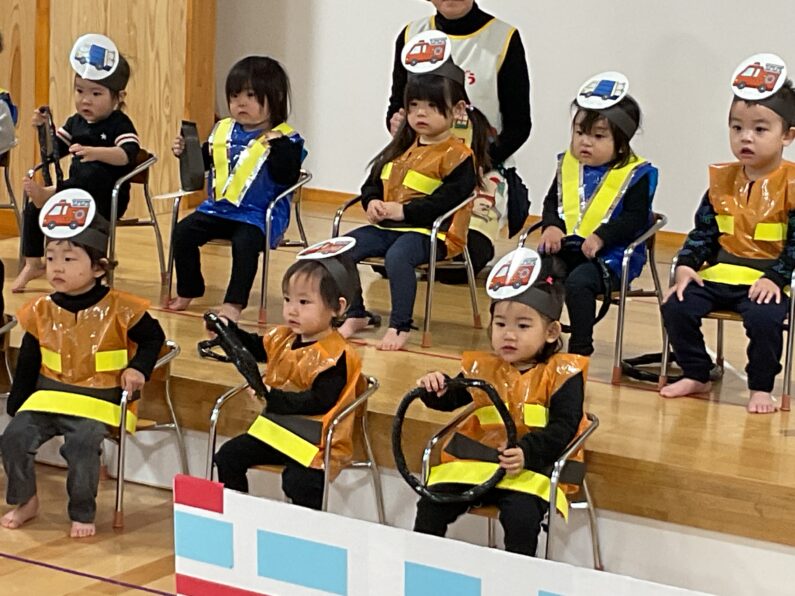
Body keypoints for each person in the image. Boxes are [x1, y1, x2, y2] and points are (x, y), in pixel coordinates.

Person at [1, 190, 166, 538]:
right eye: (50, 258)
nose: (57, 267)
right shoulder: (40, 309)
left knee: (82, 442)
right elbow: (29, 357)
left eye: (69, 259)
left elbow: (154, 339)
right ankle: (26, 500)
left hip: (98, 400)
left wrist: (138, 367)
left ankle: (82, 511)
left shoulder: (122, 307)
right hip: (48, 396)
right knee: (14, 437)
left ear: (98, 267)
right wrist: (18, 402)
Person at [414, 251, 587, 556]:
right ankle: (422, 565)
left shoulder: (562, 374)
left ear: (551, 332)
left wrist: (527, 453)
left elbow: (564, 427)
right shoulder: (483, 368)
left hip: (532, 471)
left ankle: (517, 578)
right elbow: (452, 398)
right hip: (475, 466)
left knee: (521, 518)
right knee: (432, 503)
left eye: (523, 326)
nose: (508, 335)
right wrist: (435, 388)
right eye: (500, 324)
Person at [660, 54, 795, 414]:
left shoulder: (792, 185)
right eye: (737, 128)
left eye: (760, 130)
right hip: (720, 274)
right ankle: (696, 372)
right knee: (676, 305)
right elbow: (703, 233)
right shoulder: (722, 181)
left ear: (787, 135)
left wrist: (775, 278)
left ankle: (761, 387)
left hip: (767, 279)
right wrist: (686, 265)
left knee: (764, 320)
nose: (745, 137)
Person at [339, 36, 492, 351]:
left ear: (457, 110)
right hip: (389, 227)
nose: (421, 113)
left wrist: (405, 212)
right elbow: (372, 181)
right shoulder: (400, 146)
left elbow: (449, 200)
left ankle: (400, 325)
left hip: (433, 233)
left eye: (432, 106)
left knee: (398, 257)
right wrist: (372, 202)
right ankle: (356, 313)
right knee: (340, 251)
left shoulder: (459, 154)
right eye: (414, 106)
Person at [213, 241, 363, 510]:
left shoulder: (337, 355)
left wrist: (273, 397)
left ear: (337, 308)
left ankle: (305, 529)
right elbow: (255, 347)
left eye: (304, 302)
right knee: (228, 457)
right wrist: (227, 331)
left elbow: (319, 401)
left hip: (316, 443)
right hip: (277, 432)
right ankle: (237, 516)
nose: (292, 310)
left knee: (299, 482)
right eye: (287, 300)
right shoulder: (283, 337)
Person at [388, 0, 532, 280]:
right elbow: (397, 107)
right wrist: (395, 123)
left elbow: (519, 126)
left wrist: (471, 165)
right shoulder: (411, 35)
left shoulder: (503, 38)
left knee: (457, 267)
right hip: (424, 171)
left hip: (480, 170)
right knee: (387, 260)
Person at [167, 56, 305, 322]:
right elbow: (204, 163)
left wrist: (278, 147)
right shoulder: (223, 130)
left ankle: (233, 303)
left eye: (251, 96)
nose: (240, 103)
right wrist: (185, 151)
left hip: (258, 216)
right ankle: (188, 289)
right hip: (218, 209)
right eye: (234, 96)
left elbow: (286, 177)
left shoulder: (286, 138)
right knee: (183, 232)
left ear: (275, 98)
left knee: (245, 244)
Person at [538, 72, 658, 356]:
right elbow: (552, 202)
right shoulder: (569, 166)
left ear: (621, 142)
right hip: (568, 248)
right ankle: (538, 340)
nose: (585, 142)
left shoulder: (636, 173)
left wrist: (602, 237)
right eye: (580, 133)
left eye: (598, 136)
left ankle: (580, 349)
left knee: (579, 282)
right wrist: (551, 226)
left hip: (610, 257)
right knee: (538, 272)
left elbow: (635, 219)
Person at [14, 34, 140, 293]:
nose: (85, 100)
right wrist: (43, 129)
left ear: (118, 97)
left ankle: (50, 194)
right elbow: (54, 152)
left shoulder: (119, 124)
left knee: (91, 173)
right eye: (80, 91)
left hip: (105, 199)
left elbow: (128, 154)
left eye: (96, 93)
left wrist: (96, 152)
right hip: (73, 194)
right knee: (33, 208)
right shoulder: (75, 122)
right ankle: (33, 262)